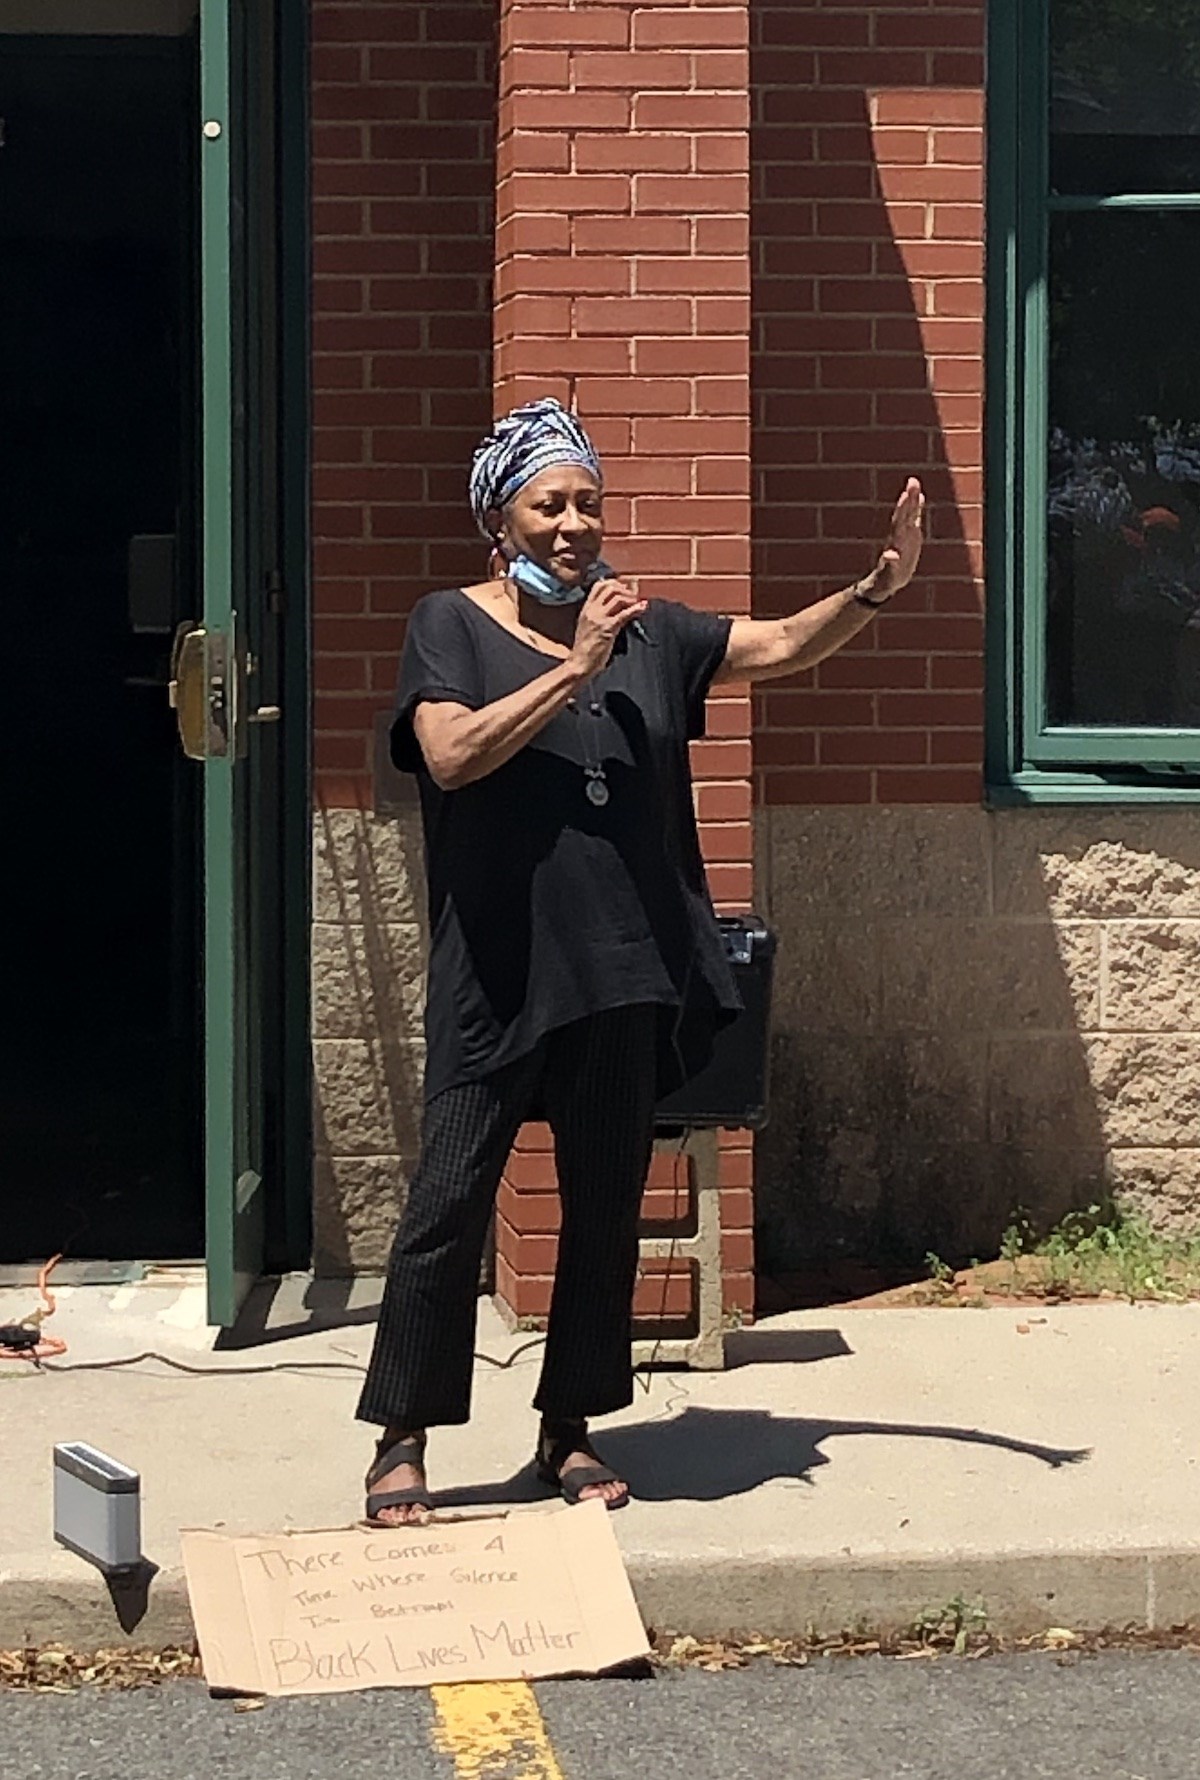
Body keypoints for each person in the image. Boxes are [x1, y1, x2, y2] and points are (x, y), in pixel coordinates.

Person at [358, 397, 924, 1525]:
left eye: (589, 503)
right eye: (548, 505)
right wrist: (574, 667)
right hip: (500, 971)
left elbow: (775, 645)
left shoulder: (651, 630)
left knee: (607, 1209)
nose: (574, 524)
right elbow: (450, 754)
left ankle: (568, 1429)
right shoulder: (449, 624)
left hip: (622, 969)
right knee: (447, 1204)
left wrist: (873, 590)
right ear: (500, 520)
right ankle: (402, 1438)